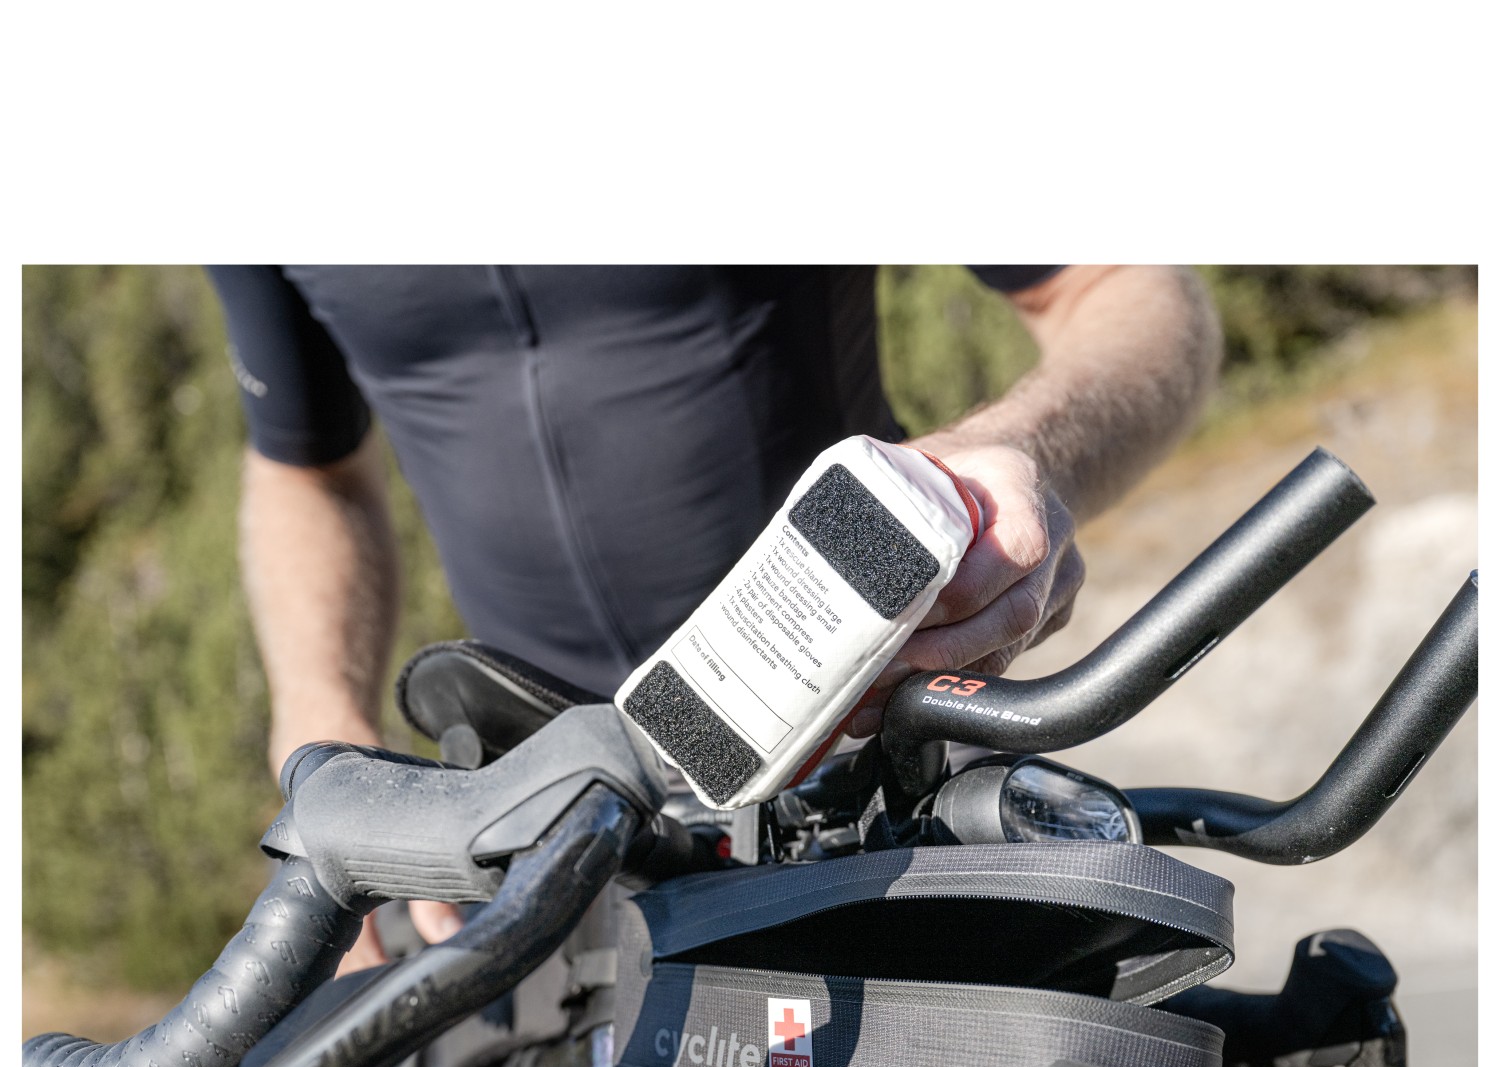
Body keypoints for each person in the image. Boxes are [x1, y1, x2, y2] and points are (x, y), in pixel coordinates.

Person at [208, 265, 1222, 970]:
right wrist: (318, 716)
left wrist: (1022, 453)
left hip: (867, 766)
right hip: (530, 824)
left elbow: (1122, 288)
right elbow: (307, 466)